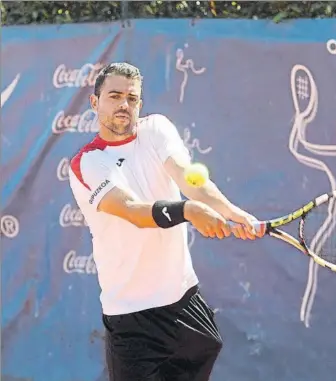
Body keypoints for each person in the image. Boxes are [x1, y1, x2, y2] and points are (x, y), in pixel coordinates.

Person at [68, 62, 264, 381]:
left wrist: (231, 212)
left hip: (185, 301)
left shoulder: (157, 129)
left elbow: (189, 180)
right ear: (95, 102)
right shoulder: (87, 162)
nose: (123, 105)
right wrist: (188, 211)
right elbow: (132, 210)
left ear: (140, 104)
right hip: (131, 318)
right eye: (114, 96)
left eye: (132, 98)